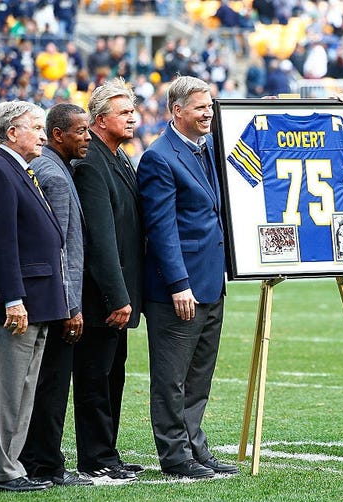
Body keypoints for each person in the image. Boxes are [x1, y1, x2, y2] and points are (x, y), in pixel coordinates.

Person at [136, 76, 238, 479]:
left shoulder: (210, 146)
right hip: (179, 289)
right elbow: (161, 230)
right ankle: (175, 456)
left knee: (199, 376)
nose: (208, 114)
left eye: (210, 106)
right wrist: (179, 284)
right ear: (177, 111)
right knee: (171, 378)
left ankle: (196, 447)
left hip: (213, 282)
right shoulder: (158, 157)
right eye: (200, 108)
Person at [0, 100, 68, 492]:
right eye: (37, 128)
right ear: (12, 132)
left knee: (22, 390)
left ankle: (11, 467)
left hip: (33, 298)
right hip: (15, 302)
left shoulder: (13, 169)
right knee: (6, 391)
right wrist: (12, 298)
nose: (44, 135)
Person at [71, 78, 145, 483]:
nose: (133, 117)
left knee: (113, 374)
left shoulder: (119, 157)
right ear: (100, 119)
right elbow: (99, 238)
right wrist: (117, 296)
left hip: (119, 294)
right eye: (124, 112)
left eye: (133, 110)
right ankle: (95, 456)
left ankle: (108, 453)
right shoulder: (92, 164)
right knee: (95, 377)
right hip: (101, 298)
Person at [19, 103, 93, 486]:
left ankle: (35, 458)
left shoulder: (52, 168)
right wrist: (72, 306)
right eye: (81, 131)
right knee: (51, 384)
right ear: (58, 135)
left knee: (43, 383)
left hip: (46, 297)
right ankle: (45, 463)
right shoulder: (55, 176)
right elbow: (60, 247)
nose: (88, 137)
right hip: (57, 300)